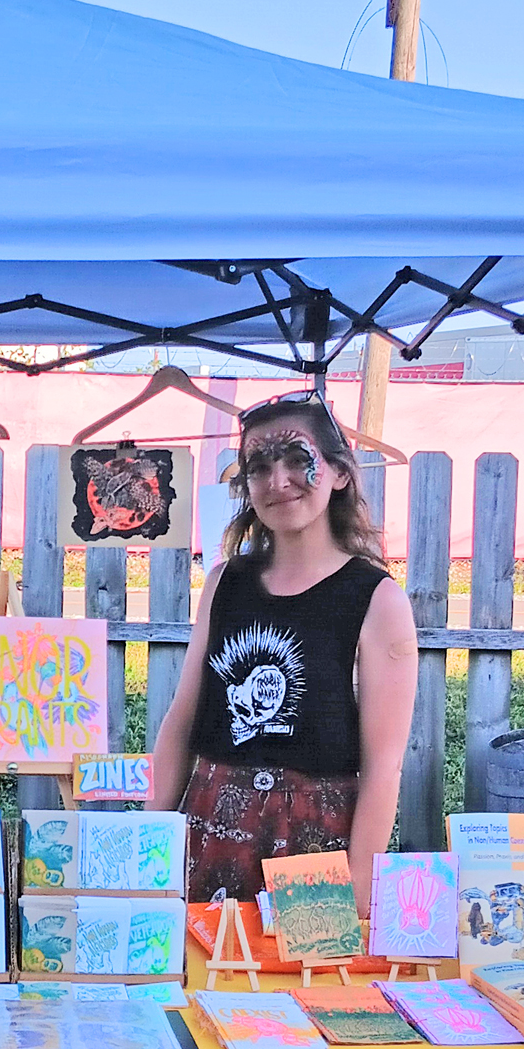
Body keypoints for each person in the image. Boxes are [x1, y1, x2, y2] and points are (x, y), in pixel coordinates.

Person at [152, 391, 418, 915]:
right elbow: (182, 719)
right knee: (203, 983)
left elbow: (384, 765)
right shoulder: (225, 583)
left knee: (302, 990)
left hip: (318, 843)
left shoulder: (376, 597)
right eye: (259, 467)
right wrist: (149, 845)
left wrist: (359, 892)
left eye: (299, 460)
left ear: (339, 473)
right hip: (209, 827)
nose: (278, 481)